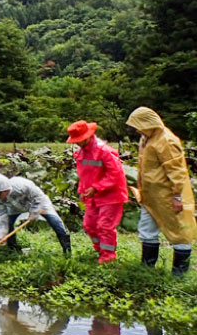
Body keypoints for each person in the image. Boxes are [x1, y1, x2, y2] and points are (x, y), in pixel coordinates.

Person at [126, 107, 196, 276]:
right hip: (151, 196)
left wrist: (178, 196)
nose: (137, 129)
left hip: (170, 196)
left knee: (180, 232)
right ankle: (147, 268)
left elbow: (177, 172)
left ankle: (179, 274)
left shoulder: (166, 140)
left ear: (148, 123)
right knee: (147, 230)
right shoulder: (146, 138)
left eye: (139, 125)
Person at [67, 120, 129, 263]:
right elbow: (84, 174)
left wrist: (96, 187)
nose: (77, 143)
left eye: (79, 140)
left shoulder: (104, 151)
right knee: (89, 225)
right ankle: (100, 248)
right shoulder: (82, 152)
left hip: (111, 194)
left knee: (105, 226)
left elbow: (116, 174)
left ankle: (108, 256)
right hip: (93, 195)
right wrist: (82, 190)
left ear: (88, 136)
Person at [0, 172, 72, 255]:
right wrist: (1, 233)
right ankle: (13, 251)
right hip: (15, 208)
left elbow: (38, 197)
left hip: (39, 204)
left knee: (55, 222)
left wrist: (34, 212)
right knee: (8, 224)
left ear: (5, 190)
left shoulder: (22, 185)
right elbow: (1, 215)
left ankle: (67, 250)